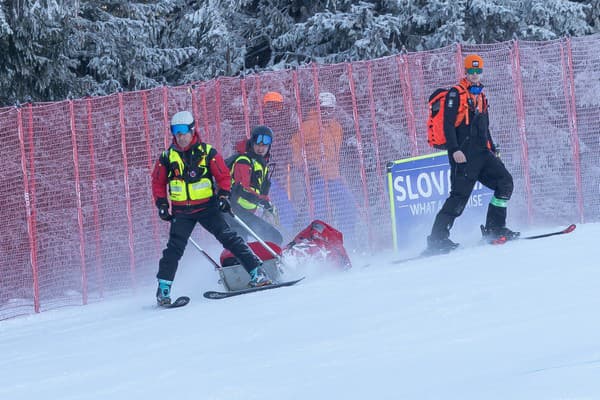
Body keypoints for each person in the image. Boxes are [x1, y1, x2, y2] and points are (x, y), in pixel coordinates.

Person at [151, 111, 271, 305]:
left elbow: (224, 176)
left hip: (207, 207)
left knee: (229, 238)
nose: (180, 136)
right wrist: (162, 204)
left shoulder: (207, 152)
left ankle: (257, 272)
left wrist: (224, 196)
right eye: (176, 132)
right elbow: (157, 182)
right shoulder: (167, 157)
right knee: (174, 249)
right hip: (182, 212)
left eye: (183, 131)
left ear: (192, 130)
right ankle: (163, 290)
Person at [426, 54, 519, 254]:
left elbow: (484, 126)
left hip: (483, 153)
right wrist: (455, 150)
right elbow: (448, 125)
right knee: (459, 198)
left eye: (478, 71)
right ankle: (437, 239)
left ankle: (495, 228)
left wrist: (493, 148)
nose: (475, 74)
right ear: (466, 71)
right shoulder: (455, 94)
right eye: (471, 70)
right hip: (464, 155)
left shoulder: (481, 95)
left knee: (505, 182)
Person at [290, 92, 357, 243]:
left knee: (348, 204)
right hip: (317, 177)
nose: (326, 112)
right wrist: (302, 166)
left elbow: (336, 151)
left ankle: (346, 240)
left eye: (329, 109)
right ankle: (314, 243)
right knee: (318, 213)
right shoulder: (308, 126)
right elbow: (295, 146)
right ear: (317, 108)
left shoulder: (336, 127)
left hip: (334, 176)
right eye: (323, 109)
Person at [225, 125, 284, 245]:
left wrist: (268, 206)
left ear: (269, 146)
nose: (261, 148)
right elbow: (242, 189)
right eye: (258, 144)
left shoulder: (262, 166)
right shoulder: (244, 161)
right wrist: (263, 203)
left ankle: (249, 260)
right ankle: (247, 260)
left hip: (243, 212)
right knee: (273, 237)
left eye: (265, 145)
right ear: (252, 143)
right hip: (232, 210)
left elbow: (262, 193)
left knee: (243, 240)